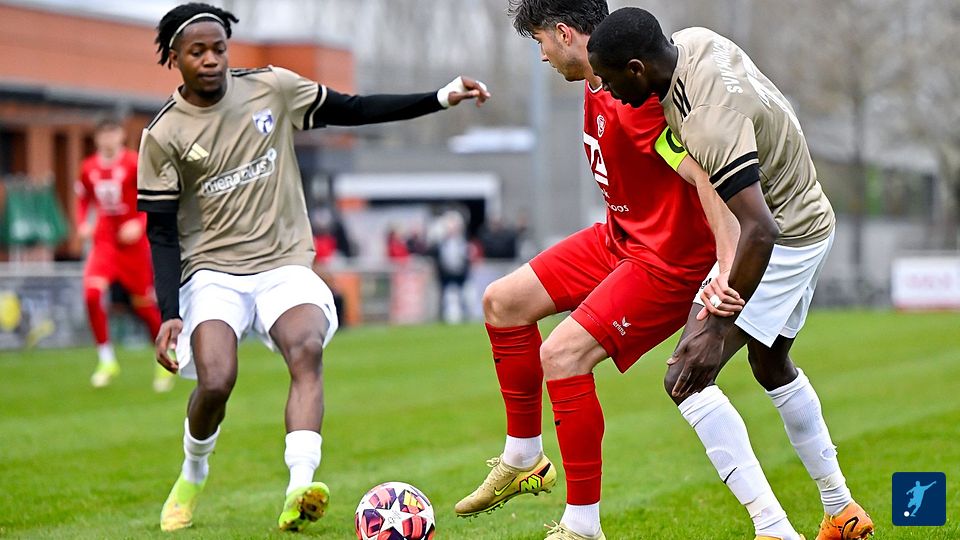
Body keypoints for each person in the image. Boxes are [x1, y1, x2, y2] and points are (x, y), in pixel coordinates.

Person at [139, 2, 489, 533]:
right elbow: (162, 232)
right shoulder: (163, 134)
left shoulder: (271, 88)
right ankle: (193, 473)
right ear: (174, 58)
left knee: (305, 349)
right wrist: (170, 312)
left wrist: (439, 97)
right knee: (216, 380)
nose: (211, 59)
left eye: (218, 49)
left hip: (283, 262)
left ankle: (299, 488)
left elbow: (354, 109)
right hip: (212, 272)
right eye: (197, 52)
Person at [587, 8, 874, 540]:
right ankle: (843, 512)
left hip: (782, 237)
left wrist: (715, 328)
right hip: (809, 217)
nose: (606, 90)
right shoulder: (694, 42)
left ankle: (774, 530)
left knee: (685, 376)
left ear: (636, 68)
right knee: (769, 362)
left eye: (608, 79)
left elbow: (759, 228)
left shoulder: (708, 121)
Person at [454, 2, 738, 539]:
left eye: (540, 40)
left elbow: (707, 175)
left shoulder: (638, 96)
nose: (541, 55)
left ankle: (583, 526)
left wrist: (727, 266)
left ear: (564, 34)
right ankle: (523, 458)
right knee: (501, 301)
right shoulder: (599, 79)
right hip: (618, 238)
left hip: (666, 262)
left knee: (562, 355)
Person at [76, 117, 171, 392]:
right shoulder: (88, 167)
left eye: (113, 133)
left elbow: (152, 198)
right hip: (105, 242)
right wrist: (83, 223)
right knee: (92, 294)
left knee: (144, 307)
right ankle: (106, 360)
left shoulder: (134, 163)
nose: (108, 139)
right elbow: (83, 198)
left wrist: (140, 223)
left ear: (121, 136)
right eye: (103, 134)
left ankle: (165, 354)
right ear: (97, 138)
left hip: (133, 247)